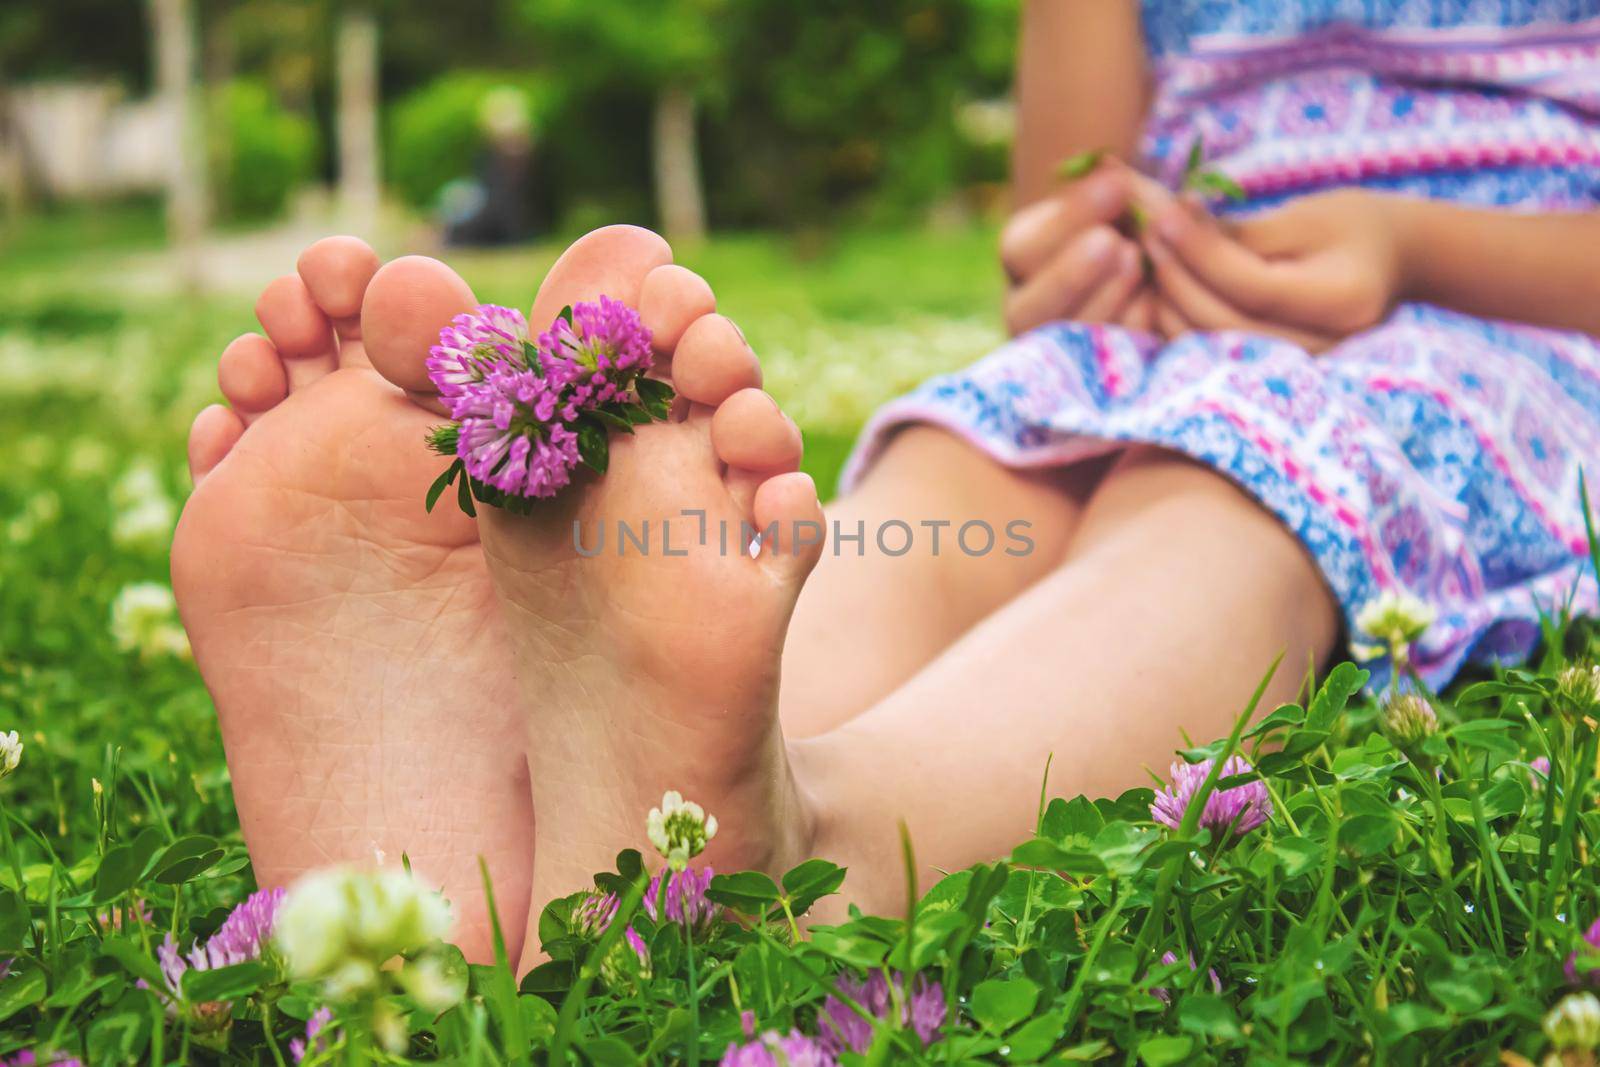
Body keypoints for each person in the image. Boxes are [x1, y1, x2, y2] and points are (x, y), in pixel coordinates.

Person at [171, 0, 1600, 973]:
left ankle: (813, 843)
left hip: (1498, 336)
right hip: (1158, 325)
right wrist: (1081, 259)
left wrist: (1409, 251)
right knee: (958, 462)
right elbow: (1055, 206)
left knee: (1235, 493)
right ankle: (552, 822)